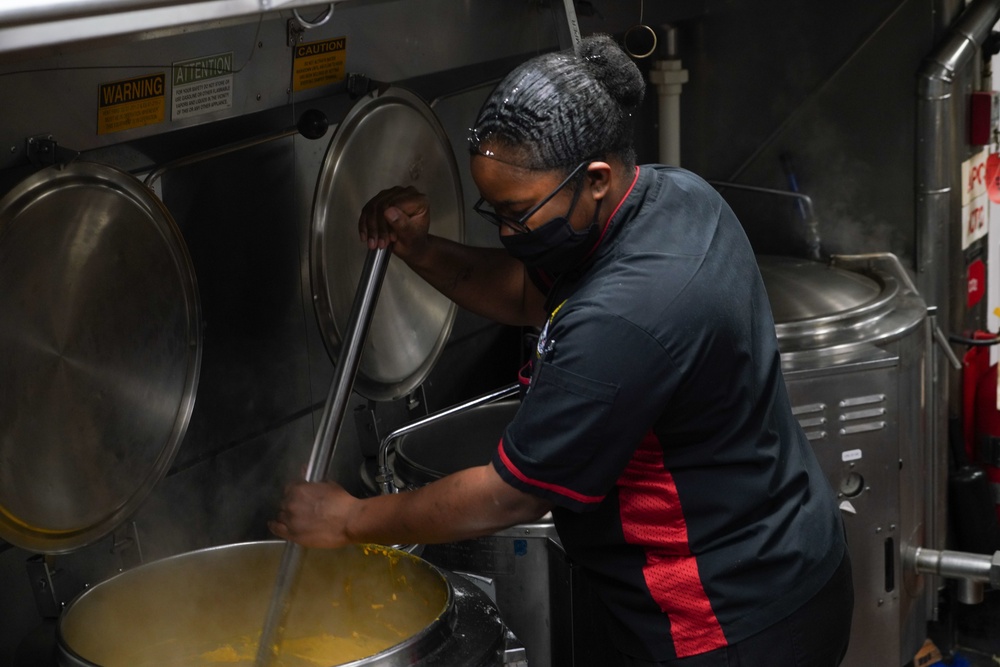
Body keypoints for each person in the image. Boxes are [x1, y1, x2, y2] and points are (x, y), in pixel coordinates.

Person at [269, 33, 853, 667]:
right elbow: (526, 291)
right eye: (493, 210)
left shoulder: (629, 316)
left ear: (595, 179)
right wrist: (419, 248)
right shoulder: (674, 197)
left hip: (720, 620)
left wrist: (352, 519)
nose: (509, 231)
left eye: (518, 213)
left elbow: (508, 495)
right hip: (786, 556)